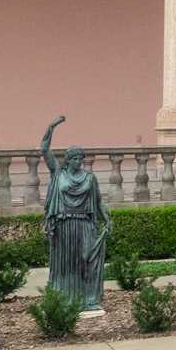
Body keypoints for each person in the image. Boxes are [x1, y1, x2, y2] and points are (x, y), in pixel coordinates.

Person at [40, 116, 111, 310]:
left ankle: (88, 298)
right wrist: (51, 127)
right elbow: (44, 150)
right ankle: (63, 299)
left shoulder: (90, 178)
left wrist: (107, 219)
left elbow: (97, 202)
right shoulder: (58, 173)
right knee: (65, 265)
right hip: (64, 224)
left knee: (85, 259)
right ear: (68, 159)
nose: (79, 161)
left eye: (81, 158)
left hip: (84, 225)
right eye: (75, 158)